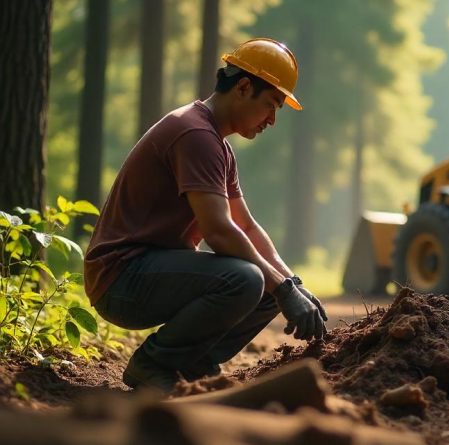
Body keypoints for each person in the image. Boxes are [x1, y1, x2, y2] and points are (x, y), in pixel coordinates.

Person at [84, 38, 327, 393]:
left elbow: (246, 225)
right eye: (271, 105)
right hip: (121, 279)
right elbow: (219, 231)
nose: (273, 120)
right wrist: (283, 289)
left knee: (267, 284)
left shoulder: (217, 145)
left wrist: (293, 284)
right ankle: (153, 364)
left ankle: (190, 366)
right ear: (244, 87)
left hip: (150, 271)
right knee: (245, 278)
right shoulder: (195, 134)